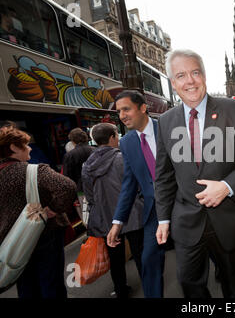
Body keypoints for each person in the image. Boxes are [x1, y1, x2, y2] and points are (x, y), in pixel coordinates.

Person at [155, 49, 235, 298]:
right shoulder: (165, 121)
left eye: (195, 72)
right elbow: (164, 176)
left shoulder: (234, 109)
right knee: (189, 282)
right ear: (173, 83)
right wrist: (163, 219)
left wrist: (226, 186)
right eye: (181, 75)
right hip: (187, 220)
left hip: (228, 218)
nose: (189, 81)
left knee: (233, 284)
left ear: (204, 75)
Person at [0, 123, 77, 298]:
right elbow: (68, 187)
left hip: (12, 244)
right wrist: (54, 209)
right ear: (13, 147)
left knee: (26, 285)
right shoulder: (35, 170)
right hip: (44, 236)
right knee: (51, 283)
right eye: (25, 145)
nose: (29, 148)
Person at [106, 90, 165, 298]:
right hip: (154, 212)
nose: (121, 115)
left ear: (142, 108)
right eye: (119, 111)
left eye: (126, 109)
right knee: (149, 260)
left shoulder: (168, 129)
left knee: (196, 262)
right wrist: (117, 222)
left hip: (183, 205)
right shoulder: (127, 142)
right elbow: (129, 184)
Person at [82, 123, 145, 298]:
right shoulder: (124, 158)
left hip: (107, 219)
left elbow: (90, 196)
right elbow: (139, 187)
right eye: (117, 135)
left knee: (115, 259)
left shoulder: (87, 164)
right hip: (132, 215)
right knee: (140, 253)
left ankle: (120, 289)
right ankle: (150, 286)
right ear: (112, 137)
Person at [62, 128, 94, 192]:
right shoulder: (96, 150)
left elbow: (67, 177)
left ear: (72, 141)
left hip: (81, 189)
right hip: (97, 186)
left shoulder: (69, 155)